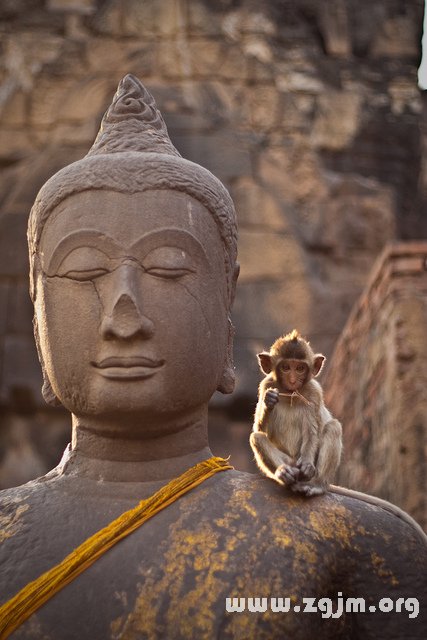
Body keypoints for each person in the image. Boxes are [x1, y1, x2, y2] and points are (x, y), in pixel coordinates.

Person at [0, 75, 425, 640]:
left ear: (228, 307)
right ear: (38, 318)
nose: (123, 317)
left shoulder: (357, 544)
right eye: (83, 271)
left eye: (169, 267)